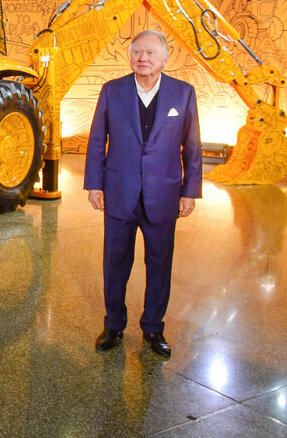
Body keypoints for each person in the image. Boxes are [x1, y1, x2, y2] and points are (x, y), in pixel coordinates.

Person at [84, 29, 202, 358]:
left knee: (160, 264)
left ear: (166, 58)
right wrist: (95, 183)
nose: (143, 58)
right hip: (119, 193)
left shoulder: (183, 94)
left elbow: (192, 148)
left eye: (151, 53)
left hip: (163, 195)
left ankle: (153, 327)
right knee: (115, 263)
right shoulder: (112, 91)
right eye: (137, 52)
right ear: (130, 56)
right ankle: (113, 324)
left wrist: (189, 191)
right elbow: (96, 141)